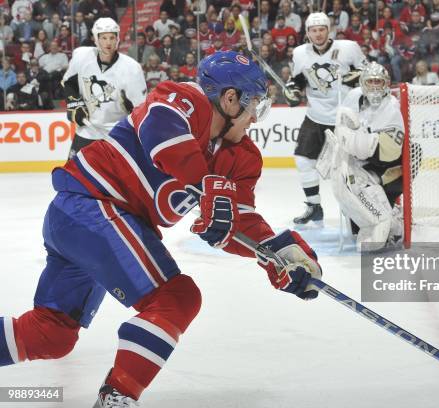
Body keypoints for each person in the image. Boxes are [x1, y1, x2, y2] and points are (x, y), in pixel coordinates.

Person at [0, 50, 322, 408]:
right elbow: (161, 131)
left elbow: (238, 220)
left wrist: (279, 252)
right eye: (254, 104)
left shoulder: (242, 158)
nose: (255, 117)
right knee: (176, 297)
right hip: (93, 204)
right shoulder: (187, 99)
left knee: (51, 334)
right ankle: (117, 397)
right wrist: (204, 185)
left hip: (88, 222)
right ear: (231, 99)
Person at [322, 62, 420, 251]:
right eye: (371, 81)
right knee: (352, 214)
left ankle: (390, 213)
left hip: (381, 166)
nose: (375, 86)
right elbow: (341, 128)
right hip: (358, 161)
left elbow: (384, 153)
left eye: (379, 82)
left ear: (386, 84)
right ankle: (376, 214)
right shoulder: (353, 96)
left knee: (414, 154)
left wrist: (352, 137)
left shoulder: (391, 106)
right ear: (362, 83)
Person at [284, 12, 366, 227]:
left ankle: (355, 210)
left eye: (322, 29)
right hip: (316, 116)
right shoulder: (300, 53)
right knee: (303, 160)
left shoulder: (348, 48)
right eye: (313, 30)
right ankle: (314, 207)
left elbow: (369, 72)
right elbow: (298, 80)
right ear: (308, 33)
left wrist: (357, 76)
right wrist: (292, 91)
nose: (318, 34)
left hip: (345, 116)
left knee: (350, 169)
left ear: (329, 30)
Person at [62, 17, 147, 159]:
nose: (108, 42)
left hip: (118, 136)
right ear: (95, 39)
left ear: (118, 39)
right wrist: (75, 105)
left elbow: (142, 109)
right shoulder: (81, 57)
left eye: (112, 38)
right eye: (103, 38)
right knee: (72, 177)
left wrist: (131, 111)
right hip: (87, 132)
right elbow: (69, 83)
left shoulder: (132, 68)